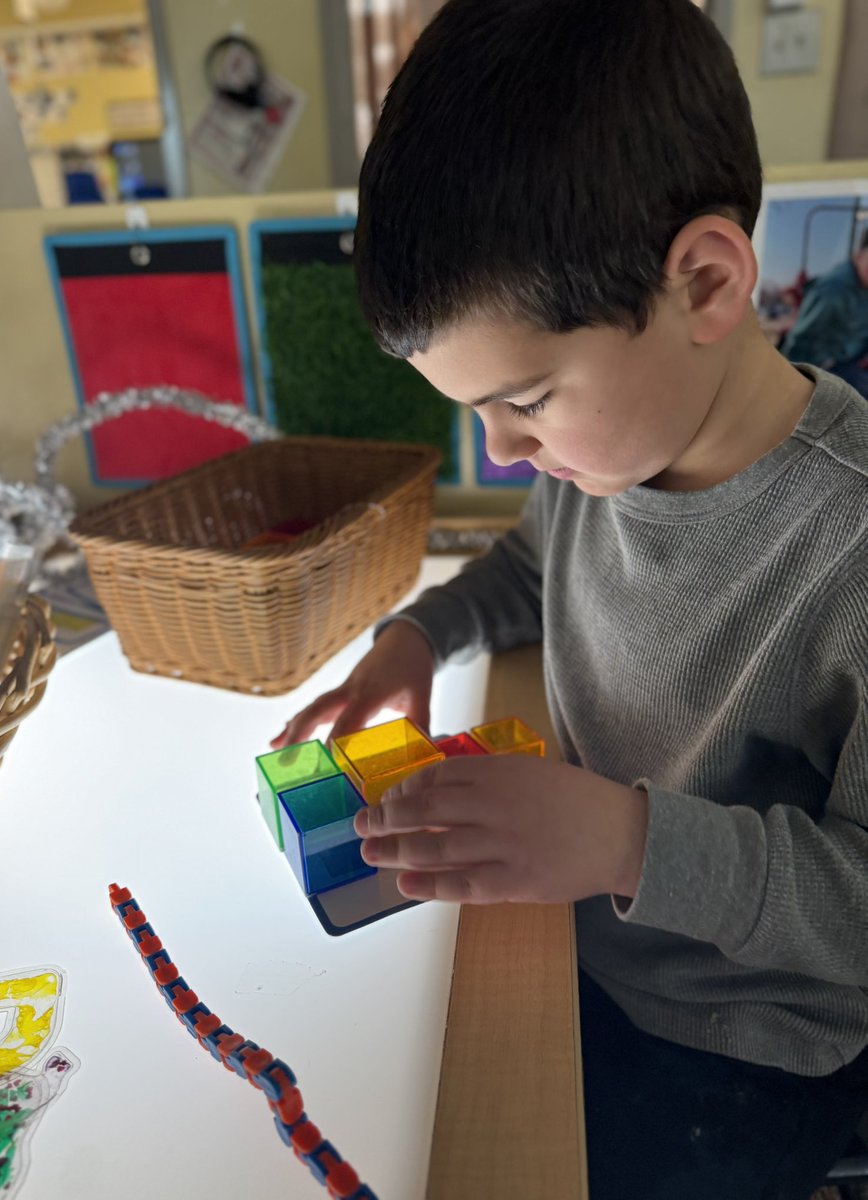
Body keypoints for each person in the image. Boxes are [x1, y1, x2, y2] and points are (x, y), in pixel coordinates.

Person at [271, 2, 868, 1195]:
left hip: (745, 1056)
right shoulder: (611, 453)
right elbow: (535, 566)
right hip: (578, 943)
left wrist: (624, 836)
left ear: (704, 282)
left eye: (527, 400)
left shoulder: (848, 539)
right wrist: (416, 635)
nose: (498, 453)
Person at [782, 228, 868, 398]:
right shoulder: (832, 292)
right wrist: (793, 387)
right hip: (830, 366)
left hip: (854, 357)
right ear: (858, 256)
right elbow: (801, 342)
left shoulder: (864, 285)